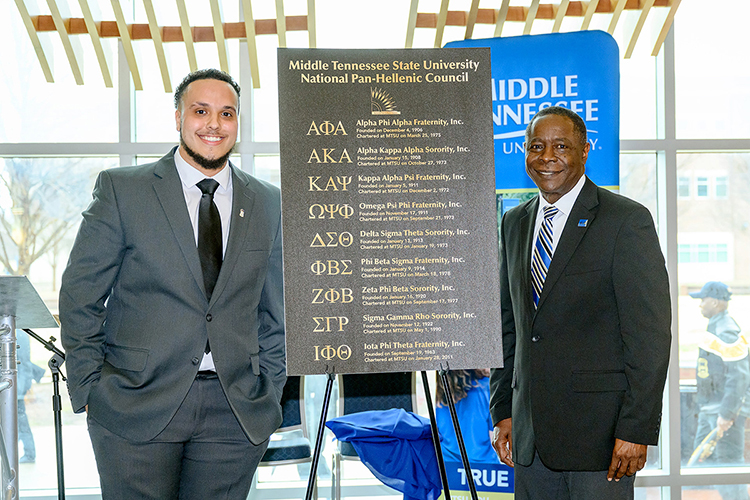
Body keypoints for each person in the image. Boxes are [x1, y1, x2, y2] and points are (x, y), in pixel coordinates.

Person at [59, 68, 286, 500]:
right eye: (201, 111)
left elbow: (275, 310)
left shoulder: (267, 202)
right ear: (178, 117)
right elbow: (80, 296)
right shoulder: (124, 190)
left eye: (227, 113)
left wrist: (270, 390)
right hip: (134, 405)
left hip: (235, 409)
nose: (214, 124)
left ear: (238, 123)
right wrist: (91, 387)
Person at [489, 106, 671, 499]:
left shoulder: (625, 220)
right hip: (529, 440)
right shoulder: (514, 222)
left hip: (601, 443)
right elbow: (510, 325)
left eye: (561, 146)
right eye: (536, 146)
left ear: (585, 150)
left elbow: (649, 336)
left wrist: (635, 430)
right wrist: (503, 409)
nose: (547, 156)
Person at [689, 281, 750, 500]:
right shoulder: (717, 326)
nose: (700, 305)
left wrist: (726, 415)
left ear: (714, 302)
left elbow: (739, 376)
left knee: (728, 468)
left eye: (703, 300)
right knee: (702, 464)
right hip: (712, 410)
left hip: (722, 414)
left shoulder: (726, 330)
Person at [436, 369, 499, 464]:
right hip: (483, 466)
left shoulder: (441, 393)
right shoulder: (487, 387)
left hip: (447, 464)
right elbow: (494, 435)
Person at [17, 330, 45, 463]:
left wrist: (19, 390)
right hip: (13, 386)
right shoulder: (18, 332)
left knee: (21, 421)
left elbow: (23, 362)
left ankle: (29, 453)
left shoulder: (18, 333)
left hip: (15, 388)